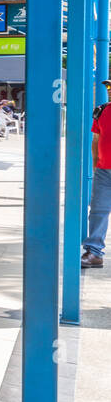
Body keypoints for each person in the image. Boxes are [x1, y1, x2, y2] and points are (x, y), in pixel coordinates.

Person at [83, 78, 111, 268]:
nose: (109, 90)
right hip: (104, 170)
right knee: (98, 210)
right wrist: (95, 164)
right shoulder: (102, 110)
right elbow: (96, 139)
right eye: (109, 87)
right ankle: (94, 252)